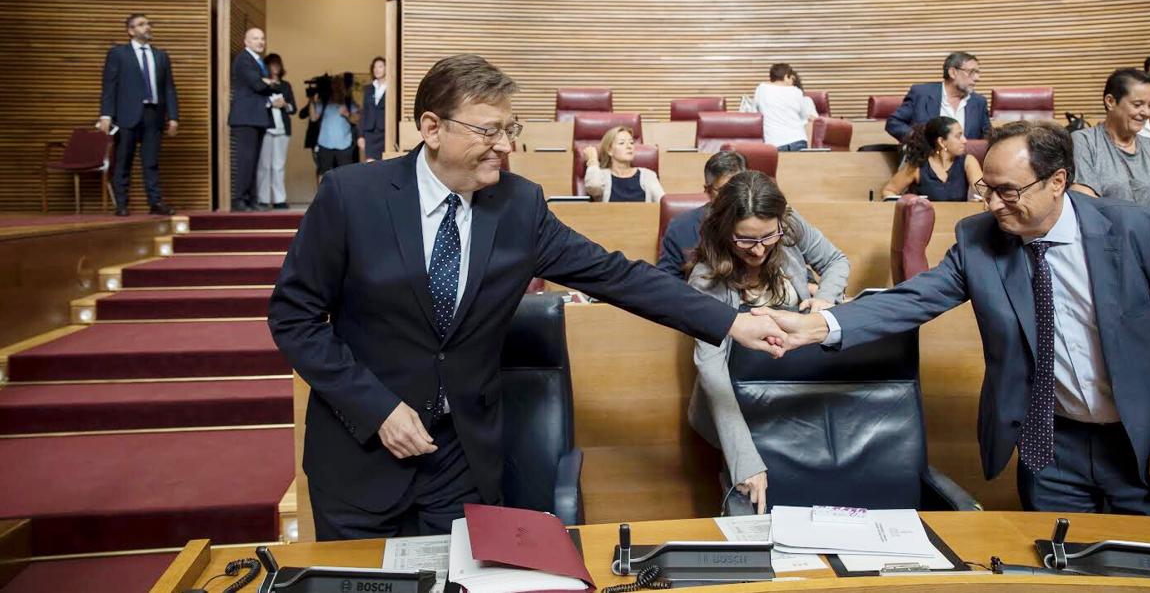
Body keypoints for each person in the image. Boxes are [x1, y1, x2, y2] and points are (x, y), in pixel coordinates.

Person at [268, 54, 791, 539]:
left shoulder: (519, 206)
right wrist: (378, 408)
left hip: (460, 460)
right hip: (361, 456)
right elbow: (295, 318)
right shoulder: (351, 197)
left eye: (509, 129)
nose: (505, 145)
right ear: (431, 128)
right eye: (489, 130)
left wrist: (730, 322)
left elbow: (617, 275)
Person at [756, 121, 1150, 516]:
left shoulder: (1141, 231)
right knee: (1056, 577)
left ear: (1057, 181)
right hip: (1052, 450)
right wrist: (819, 326)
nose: (993, 204)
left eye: (1008, 191)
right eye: (987, 189)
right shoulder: (980, 240)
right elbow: (914, 298)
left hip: (1144, 444)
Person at [686, 171, 850, 514]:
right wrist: (744, 460)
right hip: (737, 408)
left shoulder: (788, 226)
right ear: (725, 231)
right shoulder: (706, 278)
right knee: (751, 501)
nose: (759, 249)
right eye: (745, 240)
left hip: (794, 395)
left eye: (767, 237)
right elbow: (712, 369)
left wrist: (826, 299)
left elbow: (835, 261)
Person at [1071, 68, 1150, 243]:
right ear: (1111, 101)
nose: (1146, 113)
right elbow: (1085, 201)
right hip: (1109, 243)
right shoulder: (1084, 141)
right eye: (1137, 104)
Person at [98, 13, 178, 216]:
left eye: (148, 24)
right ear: (130, 31)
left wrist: (173, 116)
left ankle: (155, 202)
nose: (147, 27)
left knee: (151, 161)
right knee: (124, 160)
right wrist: (106, 114)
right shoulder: (118, 54)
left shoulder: (161, 55)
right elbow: (109, 86)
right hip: (127, 114)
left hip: (154, 114)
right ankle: (122, 204)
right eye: (141, 25)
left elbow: (169, 88)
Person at [657, 151, 749, 277]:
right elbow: (667, 282)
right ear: (708, 191)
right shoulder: (681, 228)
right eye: (723, 190)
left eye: (737, 187)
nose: (731, 196)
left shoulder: (760, 224)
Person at [228, 28, 281, 211]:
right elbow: (257, 84)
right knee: (245, 160)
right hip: (246, 118)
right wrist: (267, 82)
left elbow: (263, 83)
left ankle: (251, 199)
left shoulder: (258, 61)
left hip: (256, 117)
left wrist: (267, 82)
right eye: (255, 38)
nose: (260, 41)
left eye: (262, 38)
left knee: (253, 161)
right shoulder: (244, 59)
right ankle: (240, 200)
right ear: (246, 41)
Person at [886, 51, 991, 141]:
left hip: (963, 161)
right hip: (924, 160)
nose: (977, 78)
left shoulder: (979, 102)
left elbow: (987, 136)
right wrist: (919, 140)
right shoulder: (921, 94)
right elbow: (894, 123)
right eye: (972, 72)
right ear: (953, 72)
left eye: (978, 73)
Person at [882, 116, 984, 201]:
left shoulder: (968, 161)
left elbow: (984, 191)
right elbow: (888, 191)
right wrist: (907, 204)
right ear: (941, 141)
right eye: (958, 136)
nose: (965, 140)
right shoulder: (918, 166)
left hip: (958, 221)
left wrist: (984, 199)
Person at [255, 53, 296, 211]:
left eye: (277, 65)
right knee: (264, 165)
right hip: (266, 127)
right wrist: (269, 103)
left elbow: (293, 109)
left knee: (279, 165)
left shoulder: (286, 86)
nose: (275, 68)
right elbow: (257, 104)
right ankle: (263, 199)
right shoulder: (262, 85)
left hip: (283, 129)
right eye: (272, 65)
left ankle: (280, 199)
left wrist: (285, 104)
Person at [582, 126, 665, 202]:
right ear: (609, 150)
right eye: (622, 143)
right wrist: (592, 160)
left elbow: (663, 202)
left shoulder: (648, 175)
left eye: (631, 143)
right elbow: (594, 187)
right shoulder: (602, 176)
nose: (629, 146)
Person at [754, 63, 816, 151]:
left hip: (774, 143)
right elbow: (806, 116)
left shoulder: (761, 89)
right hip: (798, 140)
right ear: (786, 76)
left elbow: (755, 113)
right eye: (791, 79)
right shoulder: (796, 91)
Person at [311, 75, 360, 179]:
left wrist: (347, 114)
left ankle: (344, 195)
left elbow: (357, 120)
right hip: (325, 144)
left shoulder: (349, 103)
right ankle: (323, 195)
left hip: (344, 145)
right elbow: (313, 118)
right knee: (323, 173)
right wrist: (311, 100)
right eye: (334, 85)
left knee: (346, 174)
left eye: (339, 85)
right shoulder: (323, 102)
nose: (336, 88)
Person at [360, 56, 387, 162]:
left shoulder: (392, 87)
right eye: (375, 67)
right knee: (370, 165)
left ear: (386, 68)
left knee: (384, 165)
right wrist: (361, 135)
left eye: (380, 66)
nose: (377, 69)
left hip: (385, 133)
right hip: (370, 133)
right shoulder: (368, 88)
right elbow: (364, 112)